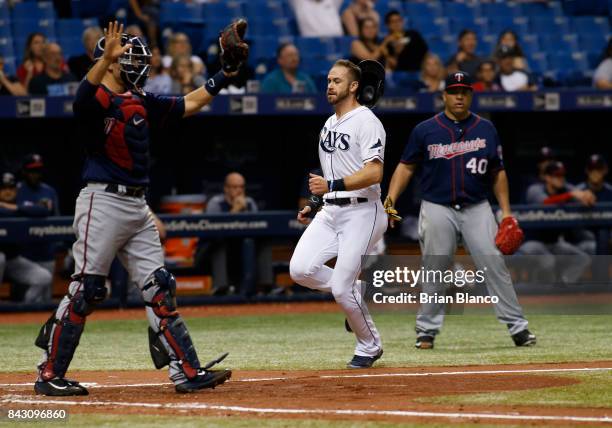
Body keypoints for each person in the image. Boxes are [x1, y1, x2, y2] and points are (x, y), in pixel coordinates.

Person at [32, 20, 247, 396]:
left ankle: (186, 372)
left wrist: (224, 73)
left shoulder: (140, 99)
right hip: (102, 200)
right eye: (125, 55)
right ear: (110, 61)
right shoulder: (98, 98)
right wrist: (104, 61)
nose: (133, 61)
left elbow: (189, 102)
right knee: (87, 290)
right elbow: (81, 100)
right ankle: (49, 373)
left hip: (137, 204)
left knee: (160, 288)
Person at [385, 71, 535, 350]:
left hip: (476, 206)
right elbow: (406, 166)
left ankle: (518, 328)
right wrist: (391, 199)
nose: (459, 96)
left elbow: (497, 173)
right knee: (435, 268)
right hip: (437, 206)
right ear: (444, 95)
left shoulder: (485, 128)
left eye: (464, 91)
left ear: (470, 95)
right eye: (454, 91)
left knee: (495, 265)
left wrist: (506, 212)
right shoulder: (425, 130)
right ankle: (426, 331)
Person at [290, 59, 387, 368]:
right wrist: (315, 202)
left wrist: (330, 185)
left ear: (354, 86)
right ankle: (355, 290)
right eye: (328, 80)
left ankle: (370, 346)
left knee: (341, 289)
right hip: (331, 211)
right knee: (300, 270)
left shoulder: (366, 120)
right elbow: (335, 173)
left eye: (336, 81)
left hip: (363, 212)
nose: (329, 85)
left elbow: (374, 173)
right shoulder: (329, 124)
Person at [519, 161, 595, 281]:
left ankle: (564, 284)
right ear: (547, 177)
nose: (560, 179)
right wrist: (571, 195)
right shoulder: (535, 189)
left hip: (555, 243)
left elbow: (579, 194)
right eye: (556, 175)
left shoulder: (565, 188)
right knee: (549, 261)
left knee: (583, 258)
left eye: (562, 175)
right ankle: (539, 291)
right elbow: (546, 203)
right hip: (532, 242)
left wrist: (587, 196)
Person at [203, 172, 274, 295]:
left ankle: (266, 286)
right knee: (218, 245)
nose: (239, 190)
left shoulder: (249, 203)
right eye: (235, 187)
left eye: (241, 187)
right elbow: (213, 232)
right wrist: (235, 210)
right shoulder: (215, 203)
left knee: (264, 241)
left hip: (242, 249)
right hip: (216, 252)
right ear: (226, 188)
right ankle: (221, 288)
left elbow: (258, 229)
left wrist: (244, 209)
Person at [0, 172, 54, 304]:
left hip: (12, 260)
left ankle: (25, 308)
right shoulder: (21, 208)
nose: (8, 191)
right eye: (3, 188)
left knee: (44, 277)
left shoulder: (20, 204)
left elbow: (43, 210)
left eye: (11, 188)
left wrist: (15, 207)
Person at [16, 153, 60, 274]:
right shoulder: (16, 190)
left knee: (46, 292)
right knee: (21, 292)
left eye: (38, 170)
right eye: (32, 170)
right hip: (23, 253)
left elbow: (56, 219)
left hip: (46, 251)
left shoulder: (49, 191)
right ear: (24, 171)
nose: (36, 174)